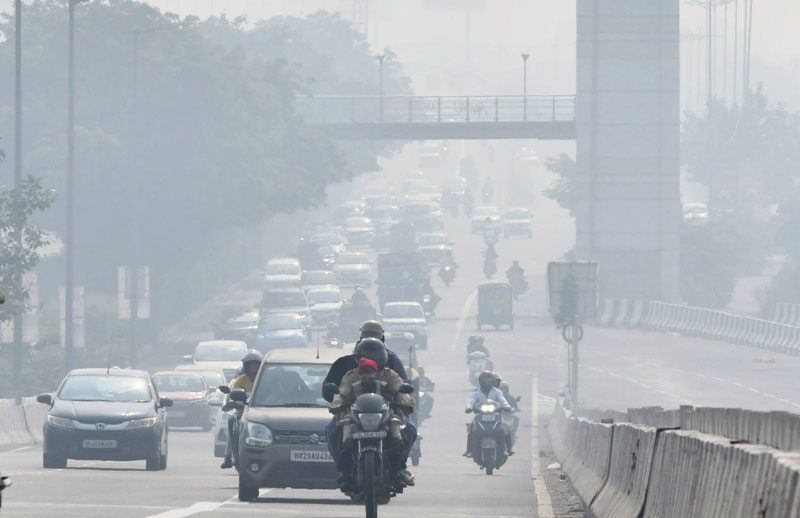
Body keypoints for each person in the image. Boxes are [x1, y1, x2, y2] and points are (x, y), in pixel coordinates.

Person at [322, 322, 416, 488]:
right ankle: (343, 470)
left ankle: (399, 467)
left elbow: (401, 387)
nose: (372, 356)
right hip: (354, 412)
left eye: (376, 353)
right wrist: (337, 405)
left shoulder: (390, 367)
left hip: (387, 411)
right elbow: (341, 392)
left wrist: (404, 403)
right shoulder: (349, 369)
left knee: (409, 429)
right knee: (332, 430)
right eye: (364, 371)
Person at [220, 350, 262, 469]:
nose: (253, 369)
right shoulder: (241, 380)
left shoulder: (263, 380)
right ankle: (228, 456)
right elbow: (233, 395)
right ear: (245, 367)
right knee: (231, 421)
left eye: (255, 366)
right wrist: (231, 403)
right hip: (243, 410)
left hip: (260, 412)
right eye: (250, 366)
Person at [463, 371, 513, 457]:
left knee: (505, 427)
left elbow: (502, 400)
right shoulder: (476, 393)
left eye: (488, 380)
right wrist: (469, 408)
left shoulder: (497, 392)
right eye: (484, 380)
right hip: (480, 415)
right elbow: (471, 401)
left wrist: (507, 407)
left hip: (496, 415)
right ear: (480, 381)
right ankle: (469, 450)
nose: (486, 383)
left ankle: (508, 449)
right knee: (471, 428)